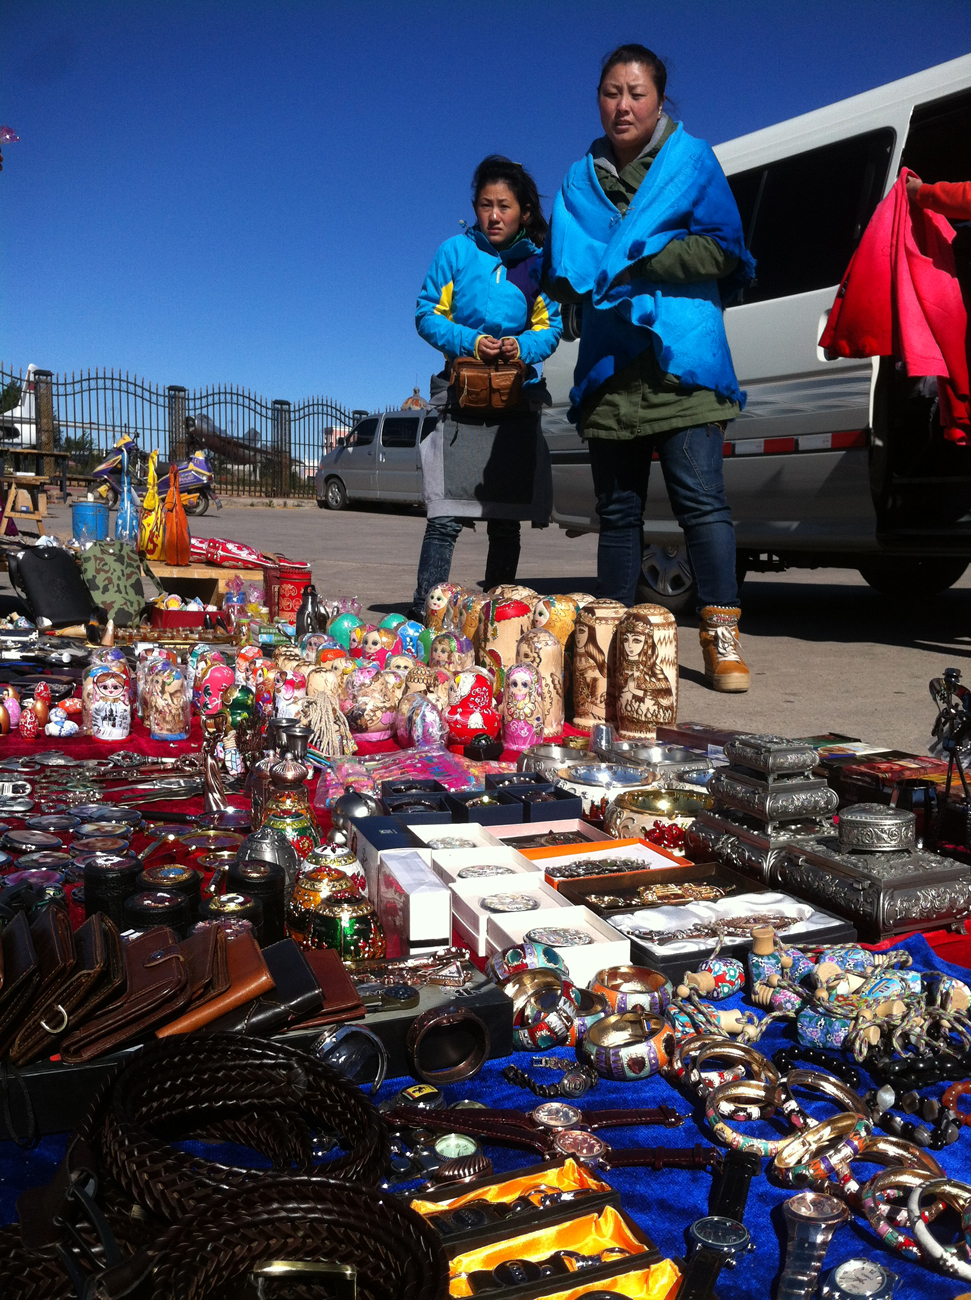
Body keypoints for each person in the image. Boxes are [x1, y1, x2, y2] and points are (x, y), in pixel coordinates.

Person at [543, 45, 755, 692]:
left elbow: (723, 249)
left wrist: (640, 259)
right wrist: (581, 280)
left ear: (659, 99)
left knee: (701, 504)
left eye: (636, 93)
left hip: (681, 365)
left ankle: (720, 640)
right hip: (611, 371)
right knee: (617, 513)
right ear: (598, 100)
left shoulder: (691, 161)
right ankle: (609, 645)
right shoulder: (578, 181)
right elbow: (564, 268)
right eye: (612, 92)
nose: (623, 105)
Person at [411, 156, 562, 615]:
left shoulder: (537, 265)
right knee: (444, 515)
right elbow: (426, 314)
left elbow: (550, 328)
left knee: (505, 518)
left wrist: (521, 347)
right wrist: (471, 342)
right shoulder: (454, 253)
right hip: (461, 400)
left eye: (504, 206)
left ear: (524, 213)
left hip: (514, 403)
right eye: (484, 205)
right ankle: (427, 613)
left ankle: (499, 617)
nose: (493, 216)